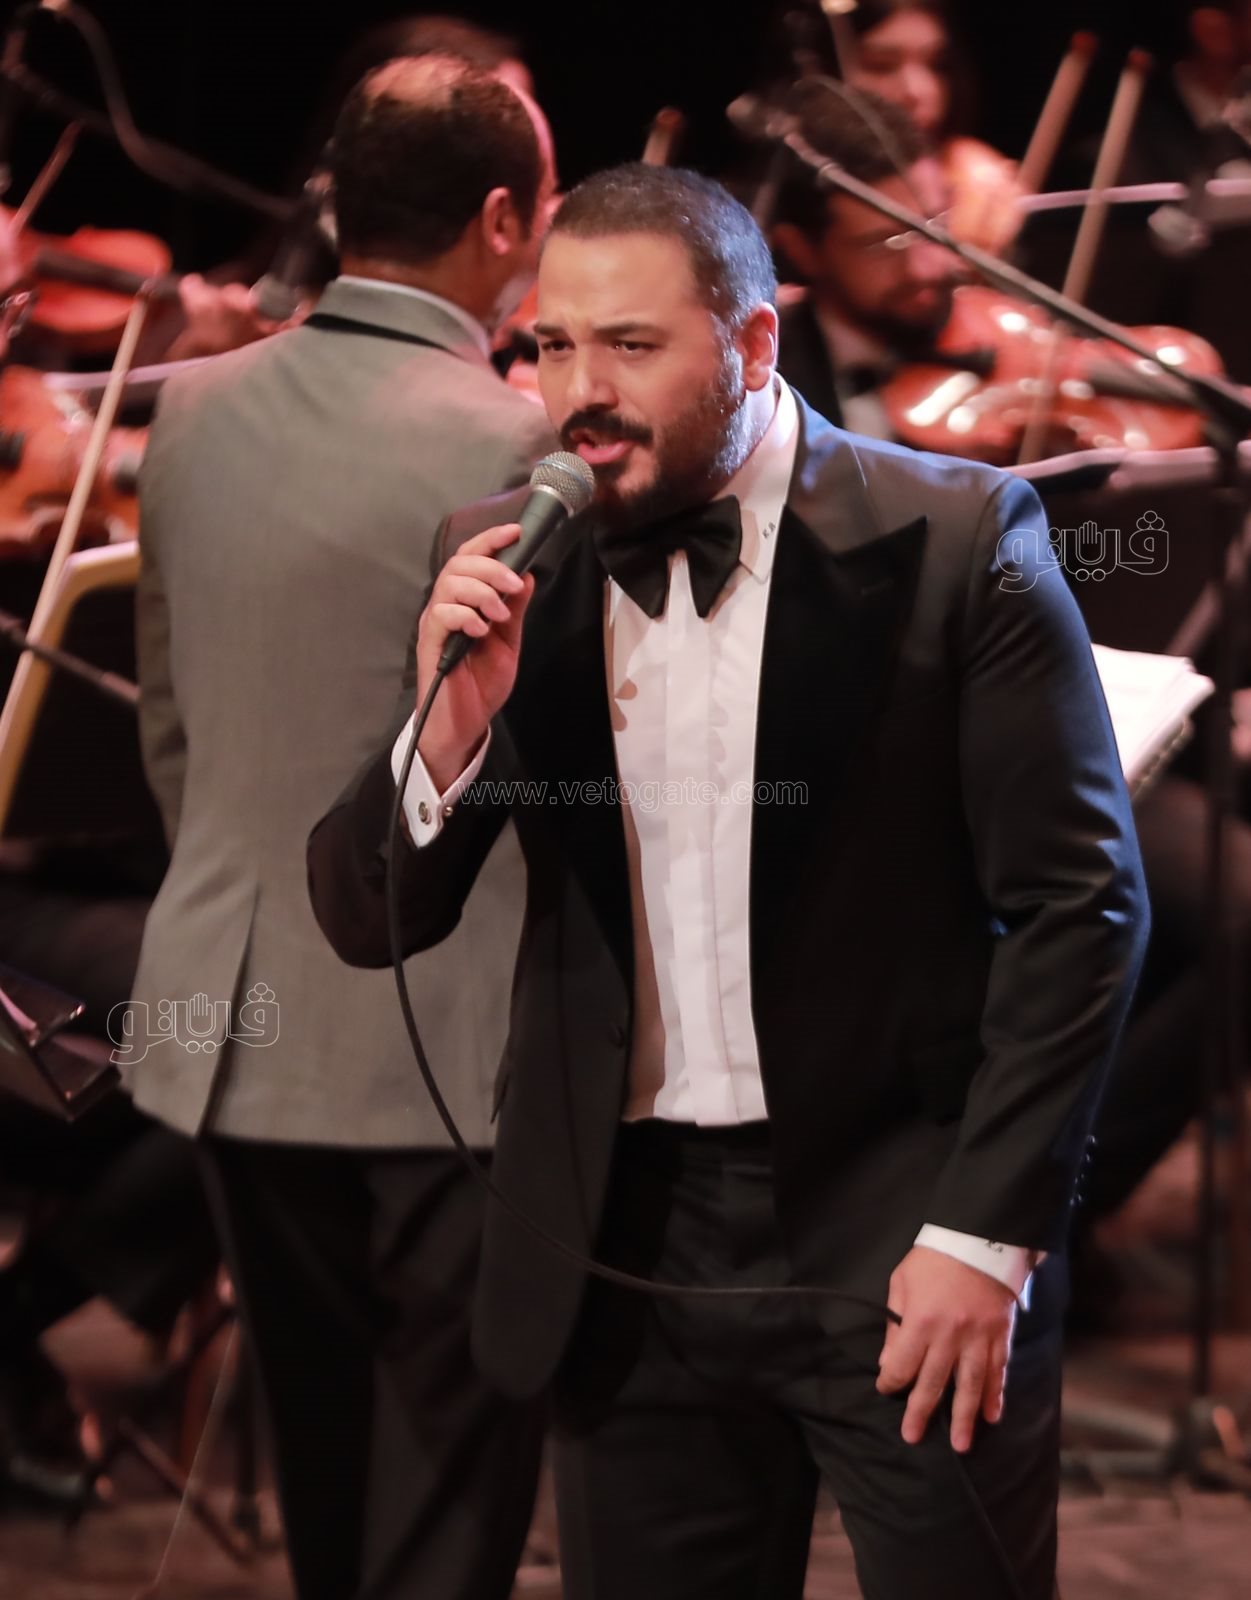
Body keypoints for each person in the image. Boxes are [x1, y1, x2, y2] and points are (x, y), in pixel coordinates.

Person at [308, 161, 1148, 1599]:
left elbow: (1085, 908)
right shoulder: (507, 554)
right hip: (629, 1251)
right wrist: (447, 731)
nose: (581, 390)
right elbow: (366, 912)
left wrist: (984, 1235)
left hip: (903, 1227)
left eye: (631, 345)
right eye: (553, 343)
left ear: (755, 344)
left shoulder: (961, 538)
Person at [126, 54, 557, 1600]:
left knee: (326, 1470)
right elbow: (536, 775)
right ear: (503, 220)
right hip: (450, 1037)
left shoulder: (189, 407)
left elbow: (169, 729)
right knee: (440, 1503)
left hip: (229, 1016)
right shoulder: (520, 441)